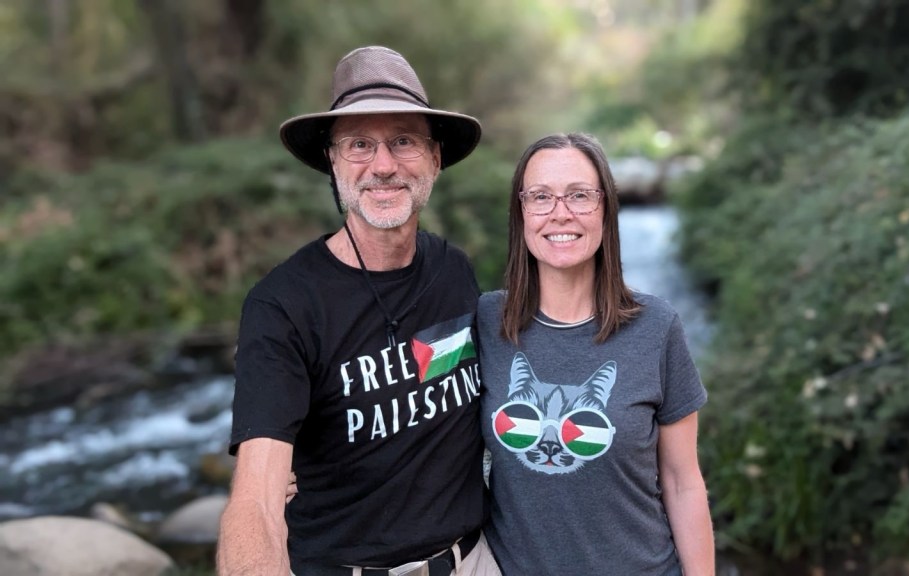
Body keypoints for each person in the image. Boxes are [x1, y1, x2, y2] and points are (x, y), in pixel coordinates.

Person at [217, 46, 501, 576]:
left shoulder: (455, 271)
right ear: (333, 159)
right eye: (360, 144)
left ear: (435, 158)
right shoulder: (282, 305)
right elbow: (255, 499)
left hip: (474, 560)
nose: (384, 165)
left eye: (403, 141)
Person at [477, 133, 715, 575]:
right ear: (521, 212)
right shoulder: (487, 322)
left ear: (605, 209)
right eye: (541, 196)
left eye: (580, 195)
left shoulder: (656, 326)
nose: (560, 212)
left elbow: (683, 482)